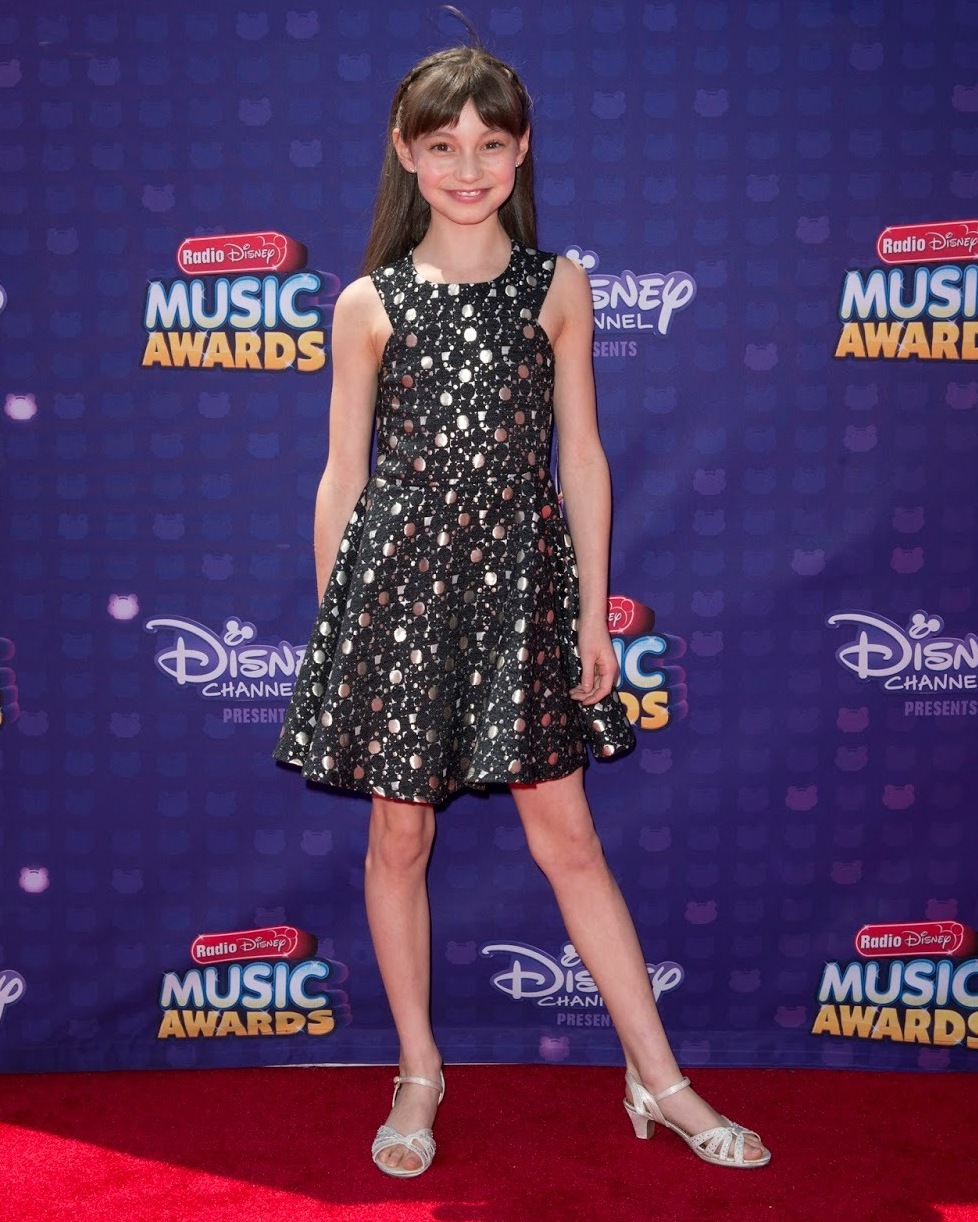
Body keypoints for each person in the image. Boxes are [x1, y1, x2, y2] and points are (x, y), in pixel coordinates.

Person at [274, 42, 771, 1177]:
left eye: (490, 144)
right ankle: (418, 1070)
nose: (468, 168)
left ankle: (659, 1077)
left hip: (520, 593)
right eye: (443, 145)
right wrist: (340, 632)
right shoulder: (367, 302)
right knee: (399, 836)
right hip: (398, 597)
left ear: (521, 149)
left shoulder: (558, 287)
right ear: (406, 152)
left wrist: (593, 615)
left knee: (570, 838)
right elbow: (343, 476)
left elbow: (581, 456)